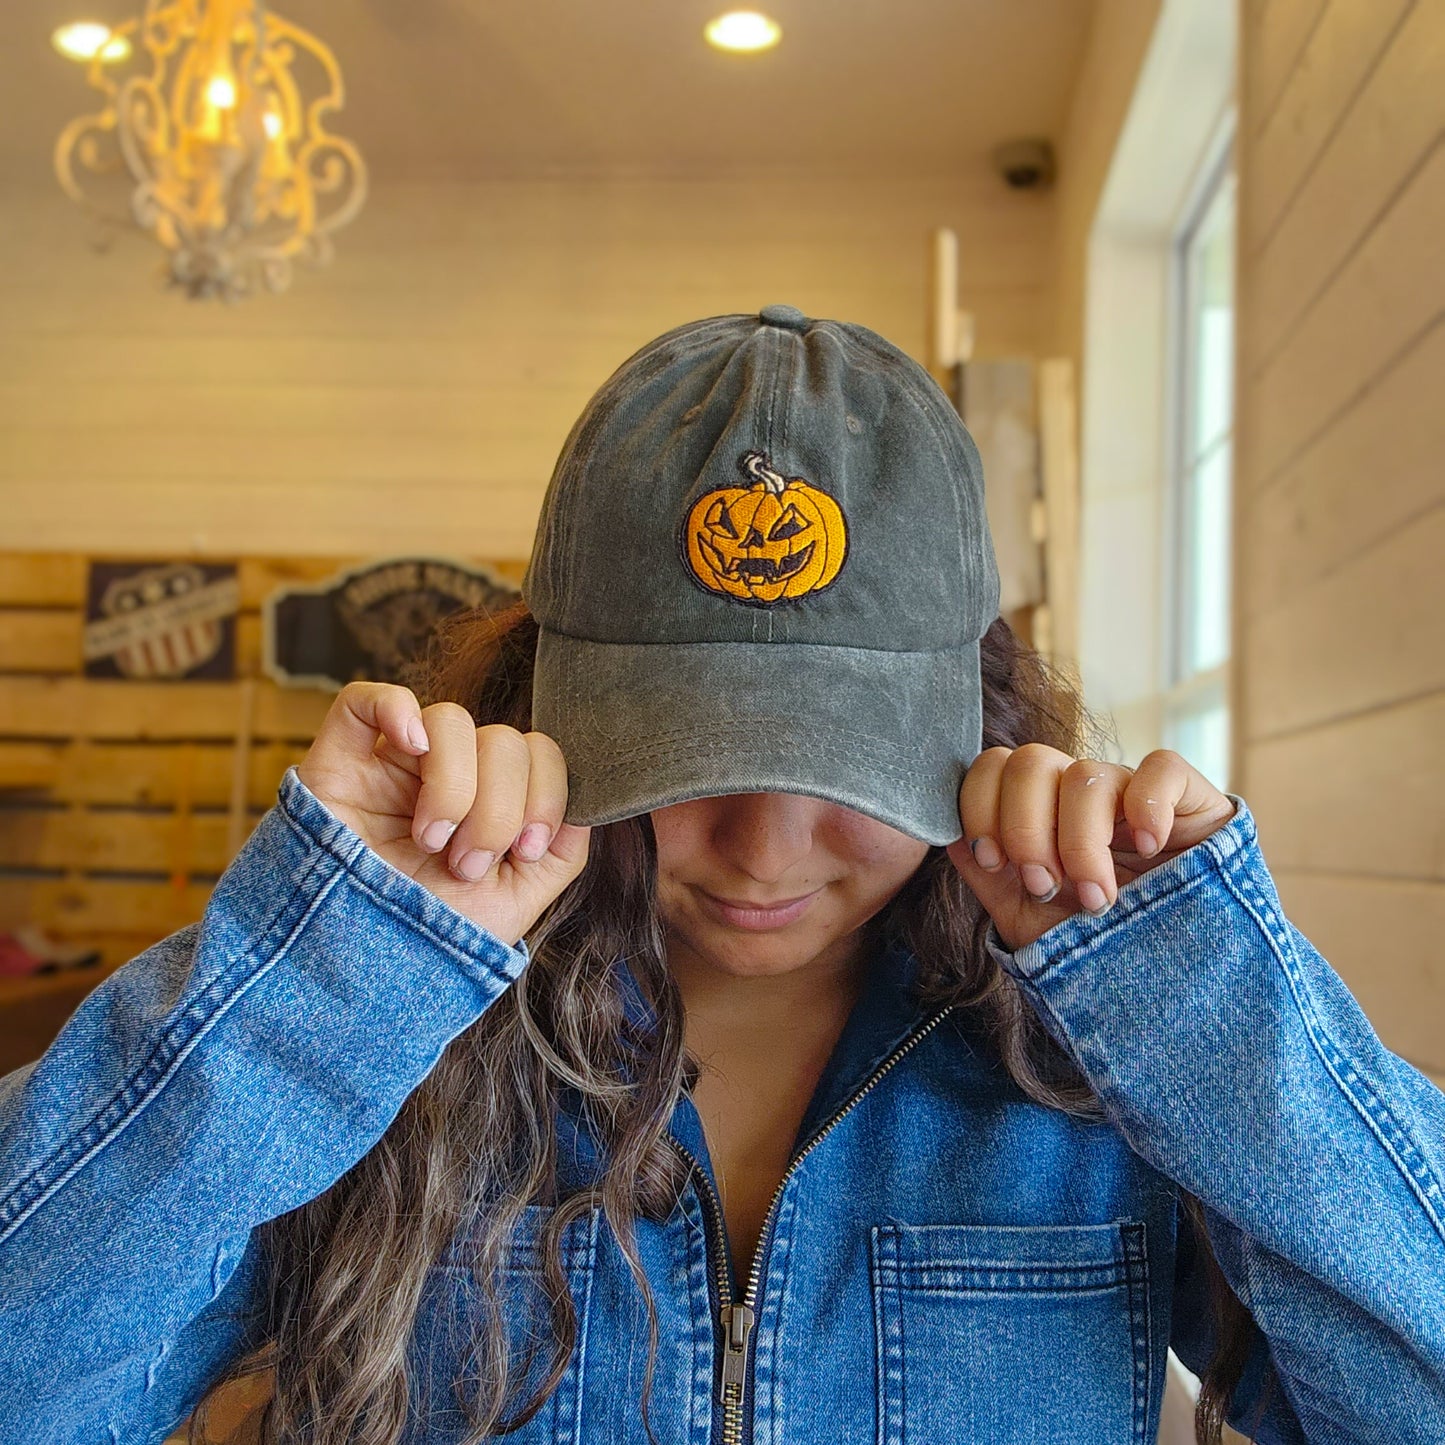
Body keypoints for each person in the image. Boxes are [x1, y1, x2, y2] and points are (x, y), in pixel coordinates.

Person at [1, 305, 1442, 1445]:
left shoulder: (1097, 1070)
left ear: (978, 731)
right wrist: (310, 982)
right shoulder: (385, 1043)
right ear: (546, 711)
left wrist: (1205, 1002)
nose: (762, 850)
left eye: (846, 775)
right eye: (683, 761)